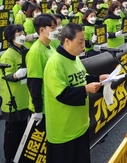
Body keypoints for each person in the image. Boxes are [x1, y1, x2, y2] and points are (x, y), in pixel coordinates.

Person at [44, 23, 109, 163]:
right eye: (80, 42)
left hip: (80, 125)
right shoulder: (54, 63)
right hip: (63, 130)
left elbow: (82, 78)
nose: (83, 46)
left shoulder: (75, 58)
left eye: (84, 42)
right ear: (67, 41)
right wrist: (86, 89)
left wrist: (98, 79)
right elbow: (62, 94)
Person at [0, 24, 29, 163]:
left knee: (24, 129)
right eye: (18, 33)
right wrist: (16, 76)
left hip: (25, 97)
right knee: (12, 133)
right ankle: (9, 158)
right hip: (13, 98)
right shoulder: (8, 55)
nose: (22, 34)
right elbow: (5, 75)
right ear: (11, 37)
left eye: (23, 32)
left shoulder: (25, 51)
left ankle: (21, 156)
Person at [26, 14, 58, 127]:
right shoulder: (36, 52)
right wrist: (38, 109)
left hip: (50, 103)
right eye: (53, 27)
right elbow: (34, 82)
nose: (56, 30)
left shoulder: (50, 46)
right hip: (41, 107)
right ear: (42, 30)